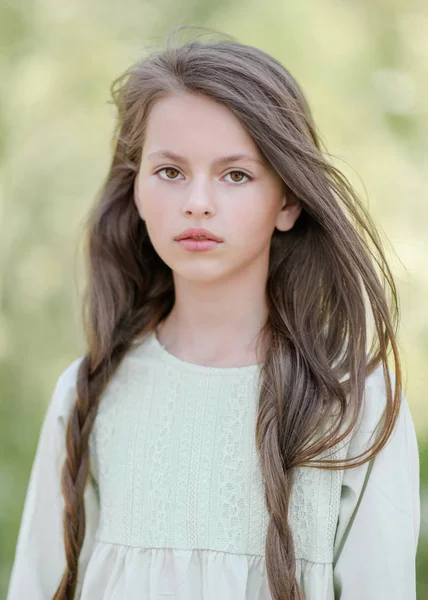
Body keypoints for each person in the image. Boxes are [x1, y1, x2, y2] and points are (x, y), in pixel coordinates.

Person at [7, 25, 420, 600]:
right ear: (137, 192)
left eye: (236, 175)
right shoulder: (89, 394)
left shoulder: (355, 402)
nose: (197, 201)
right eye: (170, 172)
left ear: (289, 200)